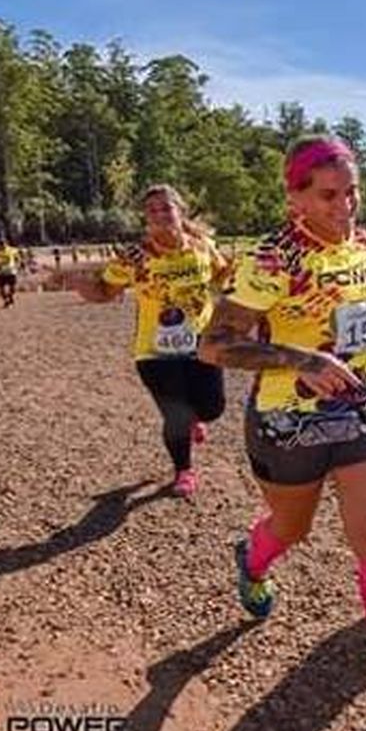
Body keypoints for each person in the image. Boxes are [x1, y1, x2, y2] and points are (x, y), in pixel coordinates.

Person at [198, 135, 366, 718]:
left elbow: (358, 284)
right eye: (330, 195)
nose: (346, 206)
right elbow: (214, 346)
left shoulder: (362, 242)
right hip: (289, 423)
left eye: (353, 192)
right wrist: (303, 361)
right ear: (296, 199)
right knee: (291, 530)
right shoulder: (271, 259)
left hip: (364, 410)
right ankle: (252, 561)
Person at [52, 185, 232, 497]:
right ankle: (184, 471)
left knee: (213, 408)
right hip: (154, 351)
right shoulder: (136, 257)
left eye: (166, 208)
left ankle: (195, 419)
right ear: (145, 218)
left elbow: (220, 276)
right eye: (152, 211)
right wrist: (77, 283)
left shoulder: (202, 246)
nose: (160, 215)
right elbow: (105, 291)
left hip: (202, 343)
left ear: (180, 211)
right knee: (175, 414)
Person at [0, 237, 22, 308]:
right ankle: (6, 300)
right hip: (0, 272)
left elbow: (18, 258)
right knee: (0, 289)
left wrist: (18, 266)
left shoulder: (12, 250)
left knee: (13, 288)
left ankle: (10, 297)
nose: (2, 245)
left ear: (7, 243)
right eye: (0, 243)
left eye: (3, 243)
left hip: (11, 271)